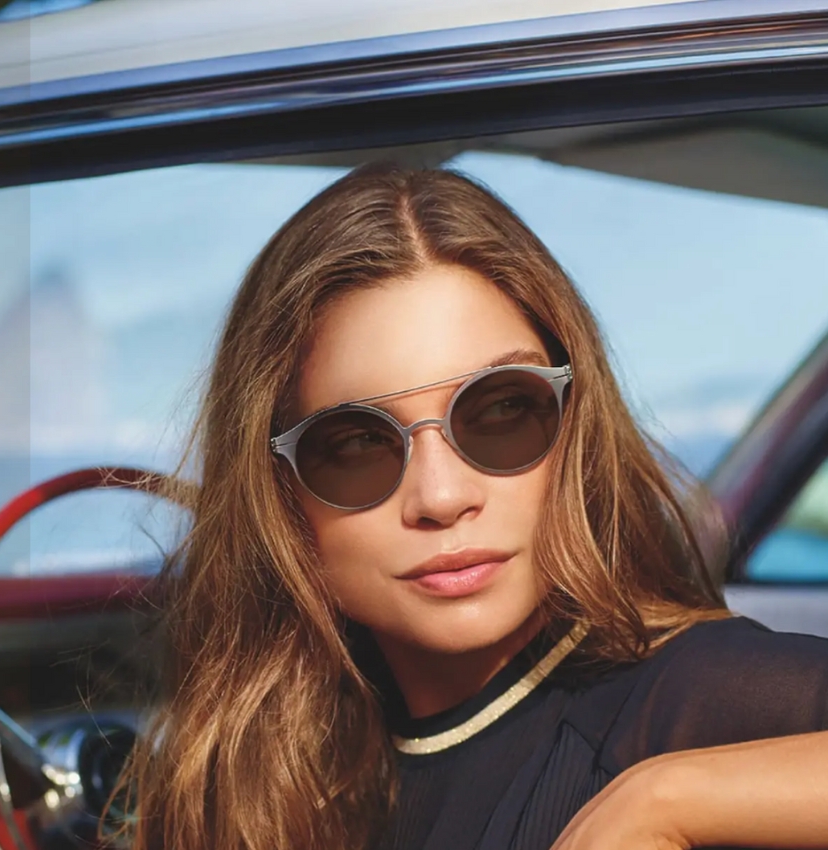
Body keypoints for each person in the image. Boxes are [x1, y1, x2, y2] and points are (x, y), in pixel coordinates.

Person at [124, 163, 828, 850]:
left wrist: (666, 802)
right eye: (357, 446)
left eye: (500, 412)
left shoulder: (696, 697)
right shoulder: (267, 781)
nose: (442, 496)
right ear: (277, 490)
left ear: (573, 425)